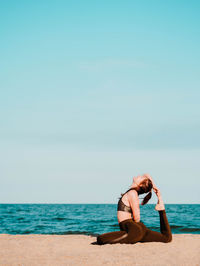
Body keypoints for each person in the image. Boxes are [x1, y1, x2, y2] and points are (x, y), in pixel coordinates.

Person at [96, 174, 172, 245]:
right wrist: (154, 188)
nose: (140, 175)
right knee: (166, 238)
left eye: (142, 177)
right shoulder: (133, 192)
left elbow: (137, 217)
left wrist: (153, 189)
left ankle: (160, 206)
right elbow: (147, 174)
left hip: (134, 229)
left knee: (101, 239)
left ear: (141, 184)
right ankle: (161, 209)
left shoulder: (133, 193)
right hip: (137, 229)